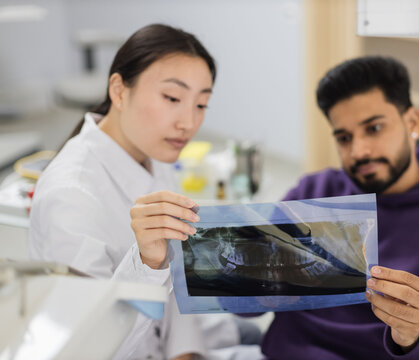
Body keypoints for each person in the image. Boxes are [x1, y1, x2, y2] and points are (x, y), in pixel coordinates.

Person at [258, 56, 419, 359]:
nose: (359, 151)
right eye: (344, 137)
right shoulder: (314, 192)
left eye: (374, 128)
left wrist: (416, 336)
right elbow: (246, 304)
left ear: (413, 123)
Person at [29, 24, 261, 360]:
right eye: (172, 98)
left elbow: (175, 274)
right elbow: (89, 346)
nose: (188, 123)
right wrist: (148, 265)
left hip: (169, 333)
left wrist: (188, 352)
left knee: (261, 333)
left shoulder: (153, 153)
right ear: (119, 91)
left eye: (201, 104)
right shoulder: (71, 198)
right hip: (124, 347)